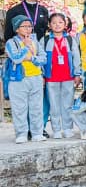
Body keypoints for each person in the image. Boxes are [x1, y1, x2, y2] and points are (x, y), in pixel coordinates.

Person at [6, 14, 48, 143]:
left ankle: (37, 133)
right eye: (24, 26)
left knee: (37, 107)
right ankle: (21, 134)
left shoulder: (35, 41)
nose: (28, 29)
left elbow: (44, 59)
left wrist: (31, 58)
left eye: (29, 26)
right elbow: (16, 58)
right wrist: (25, 47)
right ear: (16, 29)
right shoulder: (11, 43)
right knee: (19, 108)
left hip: (36, 77)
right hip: (18, 79)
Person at [43, 12, 81, 139]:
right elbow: (41, 58)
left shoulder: (70, 40)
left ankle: (68, 128)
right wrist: (42, 75)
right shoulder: (45, 40)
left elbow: (76, 57)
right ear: (49, 25)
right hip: (51, 77)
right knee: (54, 105)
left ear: (65, 24)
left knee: (68, 103)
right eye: (54, 23)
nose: (57, 25)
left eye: (60, 22)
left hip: (68, 76)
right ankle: (56, 129)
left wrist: (77, 74)